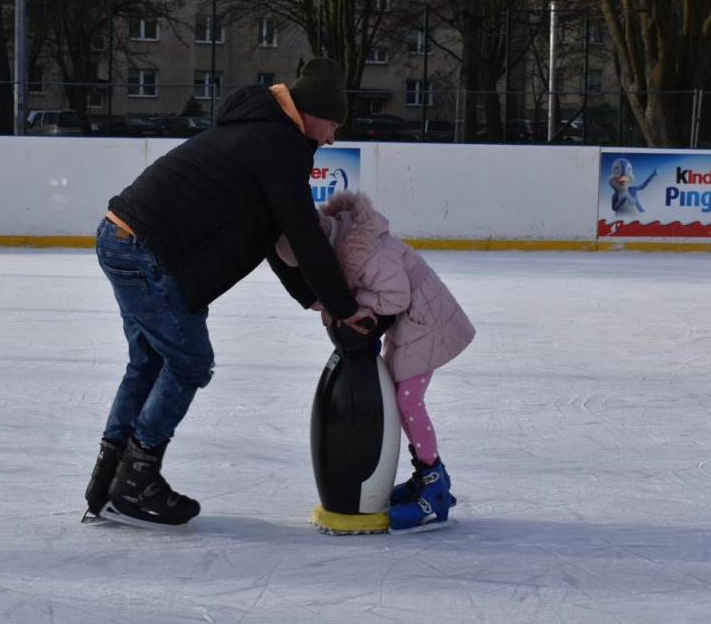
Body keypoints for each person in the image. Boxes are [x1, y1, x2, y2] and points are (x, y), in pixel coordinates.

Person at [85, 58, 376, 526]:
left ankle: (108, 480)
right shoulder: (280, 143)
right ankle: (135, 482)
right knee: (188, 363)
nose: (332, 139)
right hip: (148, 250)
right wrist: (343, 306)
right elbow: (302, 233)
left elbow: (269, 235)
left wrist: (316, 299)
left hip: (121, 237)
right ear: (314, 112)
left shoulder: (262, 132)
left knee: (149, 363)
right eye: (333, 124)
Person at [274, 190, 475, 533]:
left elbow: (395, 297)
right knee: (401, 397)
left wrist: (350, 302)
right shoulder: (348, 245)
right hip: (412, 324)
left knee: (408, 400)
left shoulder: (367, 254)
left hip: (427, 323)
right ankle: (428, 477)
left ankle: (434, 489)